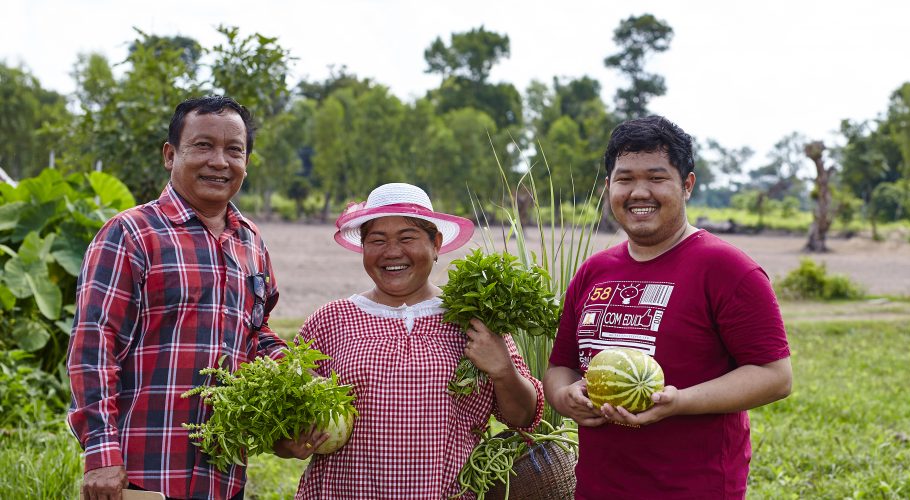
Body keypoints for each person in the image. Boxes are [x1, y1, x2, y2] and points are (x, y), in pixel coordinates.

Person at [545, 116, 793, 498]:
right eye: (625, 179)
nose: (639, 192)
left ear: (687, 185)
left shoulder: (728, 269)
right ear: (608, 187)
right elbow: (560, 367)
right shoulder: (594, 271)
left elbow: (775, 376)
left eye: (657, 178)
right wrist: (565, 398)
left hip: (693, 488)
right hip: (598, 487)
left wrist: (679, 402)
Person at [68, 95, 285, 500]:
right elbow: (93, 344)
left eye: (233, 150)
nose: (219, 161)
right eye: (203, 146)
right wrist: (100, 451)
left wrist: (293, 378)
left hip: (222, 475)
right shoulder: (131, 233)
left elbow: (256, 335)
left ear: (247, 162)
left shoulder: (251, 242)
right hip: (142, 473)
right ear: (170, 155)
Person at [277, 182, 544, 498]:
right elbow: (281, 429)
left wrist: (503, 371)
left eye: (407, 238)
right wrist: (289, 443)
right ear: (364, 248)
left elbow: (523, 417)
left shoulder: (471, 319)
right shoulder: (331, 321)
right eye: (377, 240)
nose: (392, 252)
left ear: (436, 244)